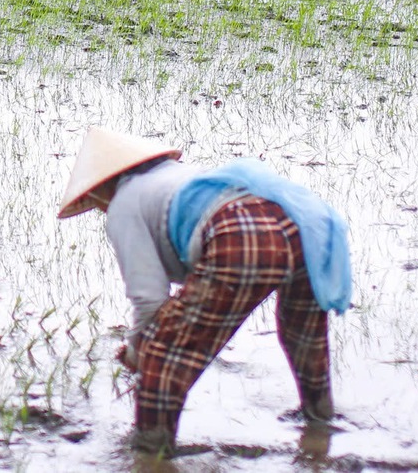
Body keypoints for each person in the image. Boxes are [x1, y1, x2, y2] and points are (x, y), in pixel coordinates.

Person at [56, 126, 351, 455]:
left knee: (164, 352)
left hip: (244, 234)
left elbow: (150, 299)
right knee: (302, 337)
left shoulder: (124, 203)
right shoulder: (179, 178)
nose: (99, 210)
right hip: (307, 225)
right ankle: (319, 424)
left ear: (100, 190)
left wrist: (139, 349)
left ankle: (149, 454)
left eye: (94, 202)